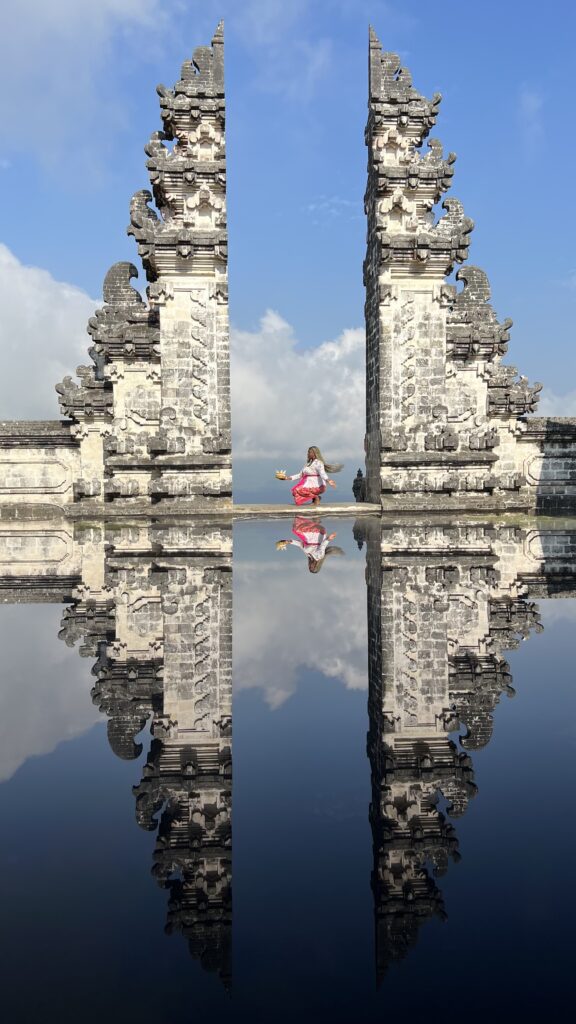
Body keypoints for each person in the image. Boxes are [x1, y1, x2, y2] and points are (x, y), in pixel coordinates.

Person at [277, 446, 343, 506]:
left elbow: (322, 473)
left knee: (298, 490)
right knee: (295, 491)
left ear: (314, 453)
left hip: (318, 485)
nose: (308, 454)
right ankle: (315, 499)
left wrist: (328, 480)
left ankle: (316, 498)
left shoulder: (318, 463)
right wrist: (286, 478)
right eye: (308, 452)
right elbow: (300, 475)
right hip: (308, 484)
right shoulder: (307, 464)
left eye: (309, 452)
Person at [276, 517, 344, 573]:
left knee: (297, 528)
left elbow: (301, 545)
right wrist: (328, 539)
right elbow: (322, 546)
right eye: (311, 568)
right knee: (297, 529)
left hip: (309, 537)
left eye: (309, 568)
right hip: (316, 536)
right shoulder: (319, 556)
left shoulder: (308, 556)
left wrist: (288, 542)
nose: (309, 566)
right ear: (315, 566)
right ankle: (313, 517)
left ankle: (308, 516)